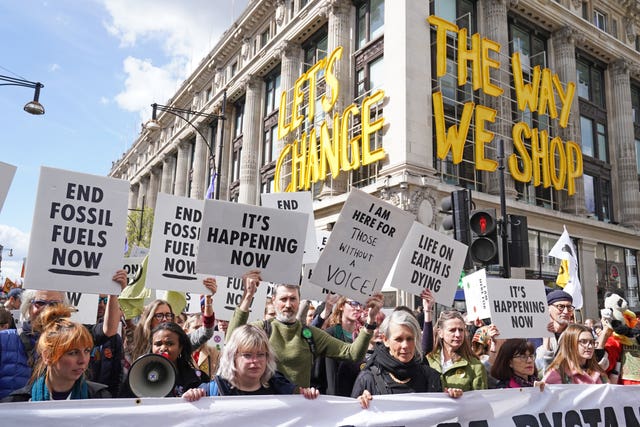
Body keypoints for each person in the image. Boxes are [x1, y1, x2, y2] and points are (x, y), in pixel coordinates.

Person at [227, 269, 382, 387]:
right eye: (283, 299)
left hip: (299, 412)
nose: (288, 304)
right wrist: (248, 296)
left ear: (299, 300)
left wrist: (370, 320)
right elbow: (231, 343)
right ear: (274, 300)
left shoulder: (309, 334)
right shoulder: (263, 329)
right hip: (267, 410)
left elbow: (353, 354)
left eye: (293, 299)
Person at [0, 270, 127, 399]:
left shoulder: (75, 336)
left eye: (54, 304)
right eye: (40, 303)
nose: (47, 309)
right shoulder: (5, 340)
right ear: (28, 306)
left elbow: (108, 330)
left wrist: (113, 294)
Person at [352, 310, 462, 409]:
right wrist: (360, 404)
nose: (405, 345)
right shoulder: (368, 379)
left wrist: (451, 399)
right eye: (398, 339)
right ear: (385, 340)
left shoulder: (430, 377)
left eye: (410, 339)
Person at [3, 305, 110, 402]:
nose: (82, 360)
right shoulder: (17, 403)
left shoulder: (100, 398)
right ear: (47, 356)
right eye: (73, 353)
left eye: (87, 351)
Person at [182, 325, 319, 400]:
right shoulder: (211, 391)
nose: (255, 361)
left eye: (261, 355)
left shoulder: (282, 390)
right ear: (232, 357)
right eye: (247, 355)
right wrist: (190, 398)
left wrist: (308, 397)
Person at [125, 277, 216, 363]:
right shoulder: (138, 339)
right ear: (149, 319)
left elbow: (207, 331)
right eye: (159, 316)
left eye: (168, 315)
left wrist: (208, 300)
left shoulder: (181, 341)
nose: (165, 319)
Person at [121, 322, 209, 397]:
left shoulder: (197, 379)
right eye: (158, 344)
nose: (163, 348)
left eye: (170, 344)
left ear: (180, 348)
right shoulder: (136, 375)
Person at [426, 310, 487, 391]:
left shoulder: (475, 366)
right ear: (440, 333)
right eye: (452, 330)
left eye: (461, 330)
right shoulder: (428, 361)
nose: (458, 334)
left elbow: (480, 400)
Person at [322, 297, 365, 396]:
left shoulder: (361, 336)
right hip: (335, 398)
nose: (358, 308)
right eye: (354, 304)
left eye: (360, 304)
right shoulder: (330, 334)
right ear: (341, 306)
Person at [543, 323, 607, 384]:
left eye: (592, 342)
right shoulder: (556, 374)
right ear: (570, 344)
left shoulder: (599, 372)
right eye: (583, 342)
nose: (590, 346)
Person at [88, 294, 124, 396]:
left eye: (105, 300)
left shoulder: (114, 339)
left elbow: (117, 374)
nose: (102, 304)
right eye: (99, 300)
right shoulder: (75, 333)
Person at [535, 290, 574, 375]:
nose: (566, 311)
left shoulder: (575, 334)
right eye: (561, 306)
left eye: (569, 307)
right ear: (548, 308)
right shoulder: (535, 335)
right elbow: (538, 369)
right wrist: (546, 340)